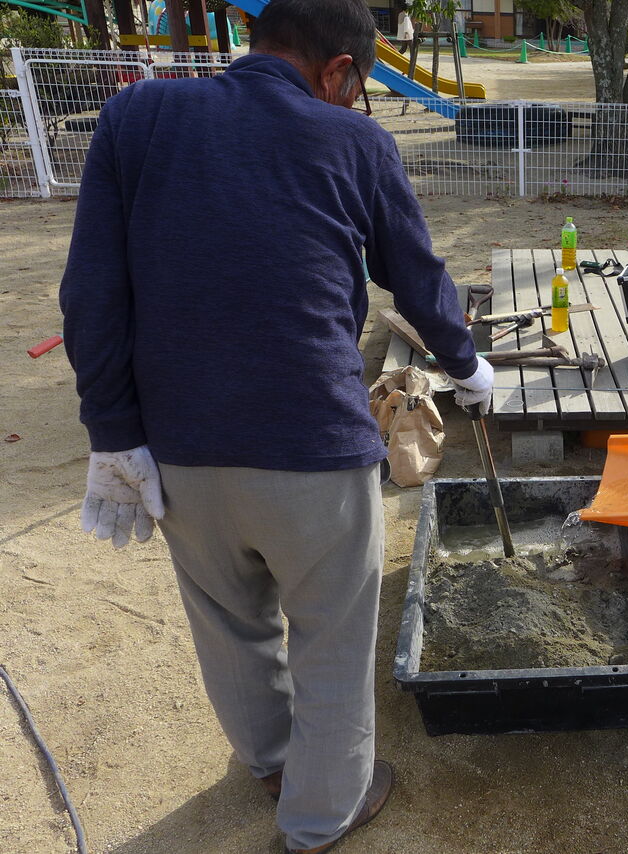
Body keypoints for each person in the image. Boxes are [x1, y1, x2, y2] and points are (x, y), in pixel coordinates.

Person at [58, 0, 492, 851]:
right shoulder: (355, 141)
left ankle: (272, 763)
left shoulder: (136, 115)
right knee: (332, 637)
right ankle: (320, 817)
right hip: (313, 446)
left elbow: (91, 292)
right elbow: (416, 276)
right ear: (339, 70)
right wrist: (468, 368)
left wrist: (112, 431)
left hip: (177, 448)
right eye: (359, 87)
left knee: (231, 624)